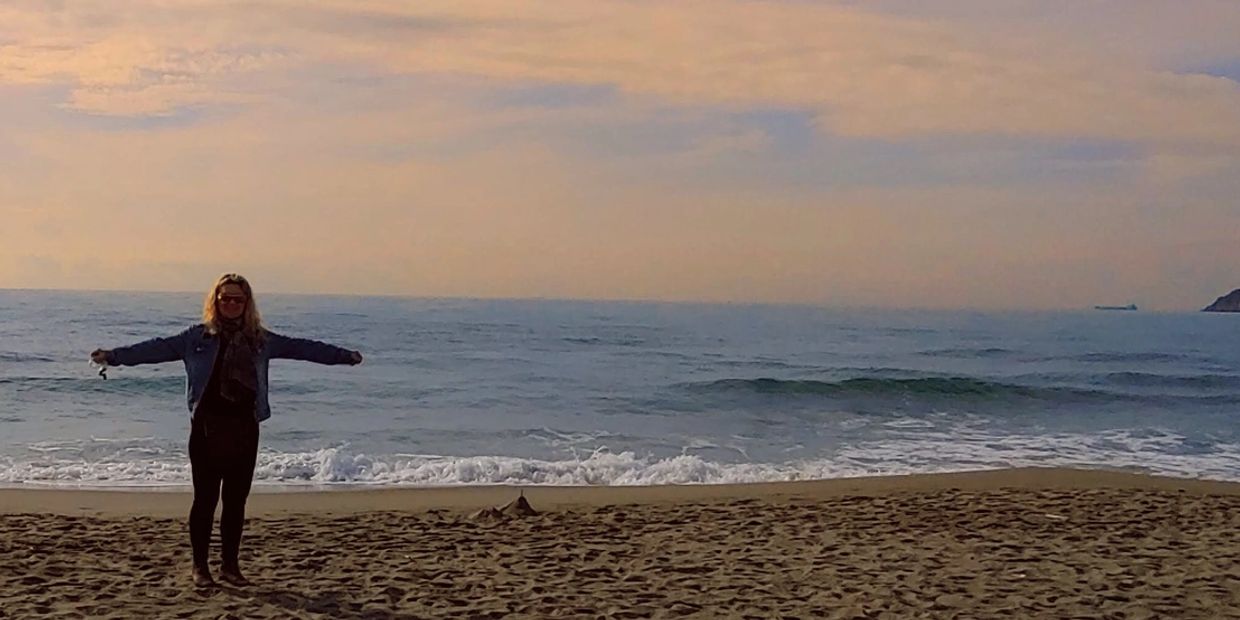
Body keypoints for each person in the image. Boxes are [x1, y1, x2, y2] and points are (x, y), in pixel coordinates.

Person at [90, 273, 363, 588]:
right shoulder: (197, 338)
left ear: (247, 303)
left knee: (236, 501)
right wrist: (115, 356)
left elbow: (303, 348)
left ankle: (230, 568)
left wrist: (344, 357)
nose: (231, 304)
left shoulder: (260, 340)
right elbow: (156, 349)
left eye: (238, 299)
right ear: (215, 301)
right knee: (205, 500)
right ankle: (200, 568)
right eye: (226, 298)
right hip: (207, 428)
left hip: (245, 427)